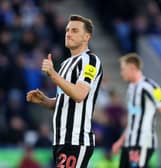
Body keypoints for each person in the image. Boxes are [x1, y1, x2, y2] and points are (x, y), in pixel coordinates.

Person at [26, 14, 103, 168]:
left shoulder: (90, 61)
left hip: (76, 140)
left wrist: (53, 75)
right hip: (60, 139)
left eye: (75, 30)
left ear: (86, 36)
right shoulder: (65, 64)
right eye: (67, 30)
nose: (68, 33)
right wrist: (45, 101)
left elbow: (80, 95)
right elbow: (65, 101)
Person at [112, 53, 161, 168]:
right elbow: (133, 119)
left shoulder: (152, 87)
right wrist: (121, 141)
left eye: (123, 69)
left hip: (143, 142)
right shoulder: (130, 88)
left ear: (132, 68)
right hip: (129, 142)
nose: (121, 73)